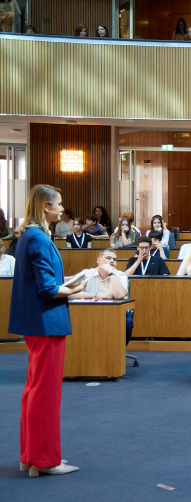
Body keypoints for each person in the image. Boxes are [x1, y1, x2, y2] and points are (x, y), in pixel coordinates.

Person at [10, 184, 88, 477]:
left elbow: (41, 279)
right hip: (47, 323)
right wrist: (75, 288)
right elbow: (47, 289)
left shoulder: (29, 234)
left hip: (36, 323)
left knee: (33, 390)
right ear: (45, 206)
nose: (61, 208)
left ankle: (29, 456)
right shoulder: (39, 237)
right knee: (46, 394)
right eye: (58, 203)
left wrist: (68, 279)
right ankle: (45, 460)